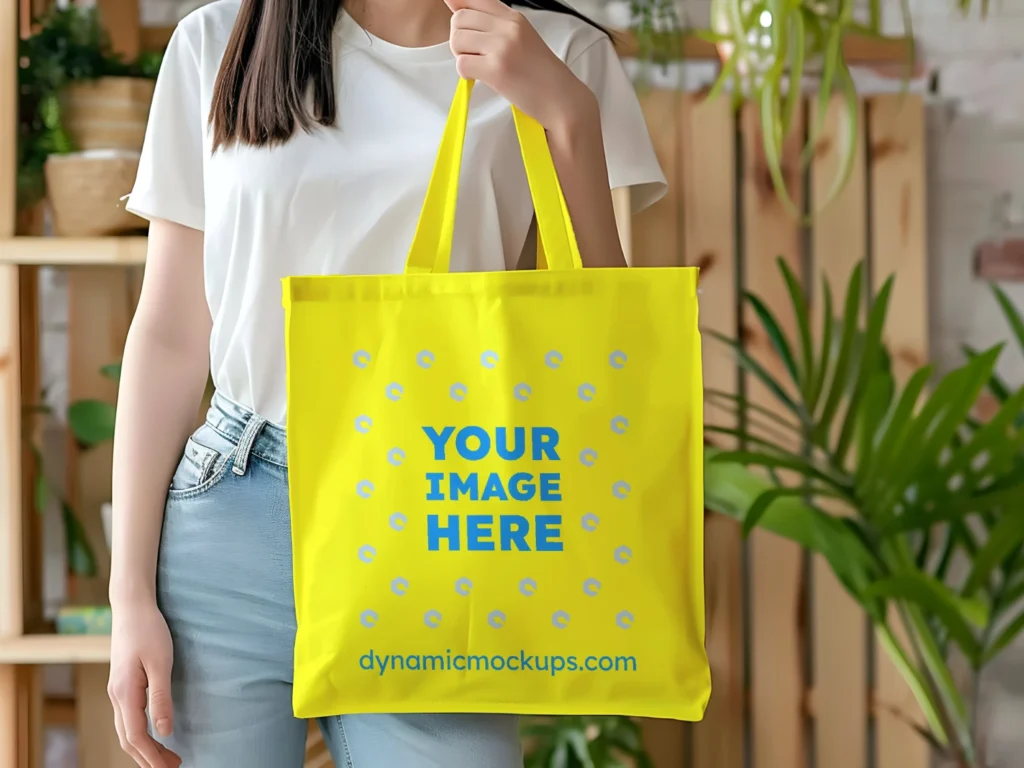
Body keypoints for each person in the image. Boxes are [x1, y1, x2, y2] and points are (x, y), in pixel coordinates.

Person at [107, 0, 665, 764]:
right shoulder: (219, 42)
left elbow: (607, 344)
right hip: (233, 509)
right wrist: (129, 595)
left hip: (443, 511)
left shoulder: (560, 52)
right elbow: (170, 334)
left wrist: (567, 116)